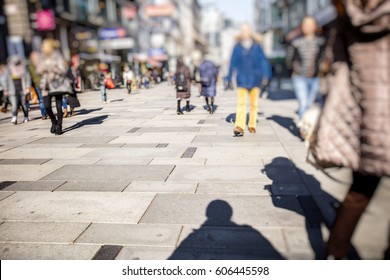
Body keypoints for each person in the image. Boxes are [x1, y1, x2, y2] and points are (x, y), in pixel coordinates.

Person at [324, 0, 390, 260]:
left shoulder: (346, 12)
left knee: (358, 193)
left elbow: (337, 67)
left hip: (370, 117)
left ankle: (334, 256)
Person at [227, 24, 272, 136]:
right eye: (243, 31)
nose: (245, 33)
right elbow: (232, 63)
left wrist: (266, 76)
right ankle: (240, 126)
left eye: (247, 31)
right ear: (241, 33)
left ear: (250, 32)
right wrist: (228, 78)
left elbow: (264, 62)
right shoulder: (237, 47)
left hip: (255, 79)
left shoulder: (257, 46)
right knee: (241, 103)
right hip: (241, 79)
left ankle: (252, 125)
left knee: (253, 104)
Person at [286, 16, 326, 120]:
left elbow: (325, 56)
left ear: (315, 26)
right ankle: (303, 128)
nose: (307, 27)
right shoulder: (295, 42)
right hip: (299, 77)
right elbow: (289, 58)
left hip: (315, 77)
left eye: (310, 24)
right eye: (305, 24)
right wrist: (293, 69)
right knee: (303, 104)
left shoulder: (321, 41)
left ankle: (307, 125)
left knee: (310, 104)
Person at [37, 39, 68, 135]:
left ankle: (59, 126)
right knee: (47, 106)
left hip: (57, 83)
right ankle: (54, 122)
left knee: (59, 105)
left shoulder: (57, 55)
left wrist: (51, 67)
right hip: (46, 84)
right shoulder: (42, 56)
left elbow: (62, 69)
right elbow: (38, 70)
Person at [6, 55, 31, 125]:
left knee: (24, 104)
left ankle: (26, 116)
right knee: (14, 105)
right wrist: (6, 89)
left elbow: (28, 78)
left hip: (22, 90)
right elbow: (6, 80)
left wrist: (27, 87)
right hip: (13, 90)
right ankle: (14, 117)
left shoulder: (23, 69)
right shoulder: (10, 70)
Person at [28, 52, 47, 120]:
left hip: (36, 84)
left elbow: (29, 76)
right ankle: (46, 112)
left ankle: (43, 114)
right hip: (43, 83)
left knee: (41, 100)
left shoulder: (30, 66)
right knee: (45, 99)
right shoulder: (40, 63)